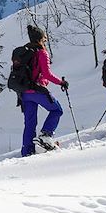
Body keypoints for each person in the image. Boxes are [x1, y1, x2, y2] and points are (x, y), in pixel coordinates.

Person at [20, 24, 69, 156]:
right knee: (57, 110)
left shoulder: (24, 52)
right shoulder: (41, 53)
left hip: (24, 93)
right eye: (44, 39)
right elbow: (47, 74)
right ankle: (45, 137)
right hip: (37, 90)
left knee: (30, 122)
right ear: (40, 39)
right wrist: (61, 82)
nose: (45, 41)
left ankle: (27, 151)